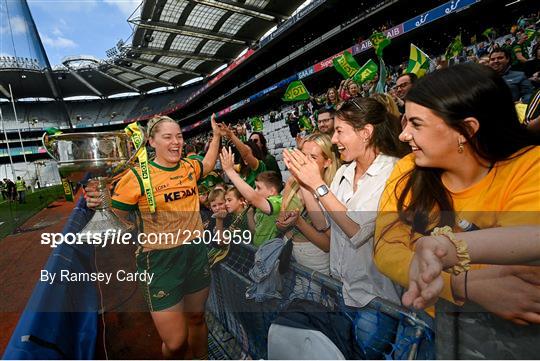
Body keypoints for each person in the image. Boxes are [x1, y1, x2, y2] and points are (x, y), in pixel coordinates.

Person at [374, 63, 540, 325]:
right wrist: (461, 284)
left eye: (416, 124)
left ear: (466, 130)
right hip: (429, 323)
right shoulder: (409, 167)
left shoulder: (530, 167)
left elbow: (519, 272)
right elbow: (385, 246)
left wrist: (435, 254)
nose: (404, 135)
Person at [85, 114, 223, 359]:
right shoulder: (137, 177)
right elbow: (117, 218)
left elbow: (209, 163)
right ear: (151, 142)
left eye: (179, 136)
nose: (176, 142)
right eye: (167, 137)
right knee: (176, 342)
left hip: (195, 253)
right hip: (159, 261)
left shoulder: (190, 166)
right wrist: (101, 203)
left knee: (197, 317)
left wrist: (217, 136)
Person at [283, 97, 409, 359]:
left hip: (376, 300)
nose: (335, 139)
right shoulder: (344, 172)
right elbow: (324, 224)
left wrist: (317, 184)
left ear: (366, 133)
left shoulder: (393, 171)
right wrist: (305, 185)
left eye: (340, 131)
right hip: (342, 290)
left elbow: (357, 231)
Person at [276, 133, 340, 275]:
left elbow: (327, 245)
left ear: (327, 162)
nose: (305, 161)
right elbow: (281, 218)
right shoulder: (292, 181)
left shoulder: (332, 191)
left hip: (314, 258)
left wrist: (299, 222)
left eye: (313, 157)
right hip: (287, 248)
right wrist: (282, 224)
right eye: (304, 155)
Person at [221, 146, 283, 248]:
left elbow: (253, 197)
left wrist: (230, 171)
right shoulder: (259, 208)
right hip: (258, 249)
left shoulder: (278, 202)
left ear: (272, 191)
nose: (255, 191)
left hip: (269, 252)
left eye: (258, 188)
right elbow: (254, 232)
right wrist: (249, 214)